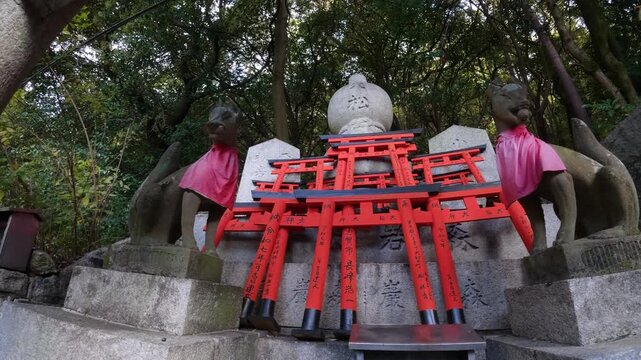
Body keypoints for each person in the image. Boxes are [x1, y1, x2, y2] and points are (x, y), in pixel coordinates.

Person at [178, 105, 240, 252]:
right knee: (193, 191)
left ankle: (210, 248)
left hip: (227, 163)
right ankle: (188, 239)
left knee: (218, 207)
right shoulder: (204, 167)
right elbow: (190, 193)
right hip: (214, 161)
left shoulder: (232, 163)